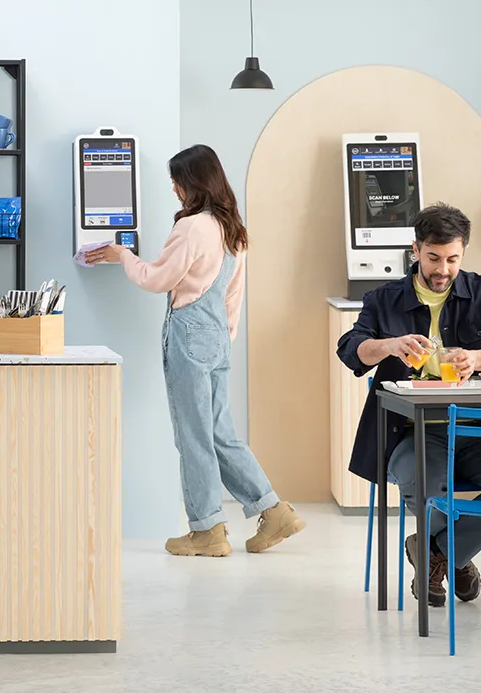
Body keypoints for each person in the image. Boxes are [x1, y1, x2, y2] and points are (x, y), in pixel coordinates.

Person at [87, 144, 305, 557]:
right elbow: (234, 296)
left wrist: (123, 256)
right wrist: (223, 339)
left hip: (189, 333)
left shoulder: (192, 228)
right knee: (220, 432)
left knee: (193, 437)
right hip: (218, 335)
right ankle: (273, 510)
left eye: (177, 181)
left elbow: (156, 279)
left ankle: (207, 530)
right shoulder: (233, 229)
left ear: (194, 183)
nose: (173, 189)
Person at [338, 202, 481, 607]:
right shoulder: (384, 300)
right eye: (434, 258)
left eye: (452, 259)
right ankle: (457, 558)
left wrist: (477, 358)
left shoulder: (479, 292)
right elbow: (350, 350)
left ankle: (437, 552)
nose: (443, 270)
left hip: (472, 427)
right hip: (410, 433)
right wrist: (389, 346)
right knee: (427, 484)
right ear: (415, 250)